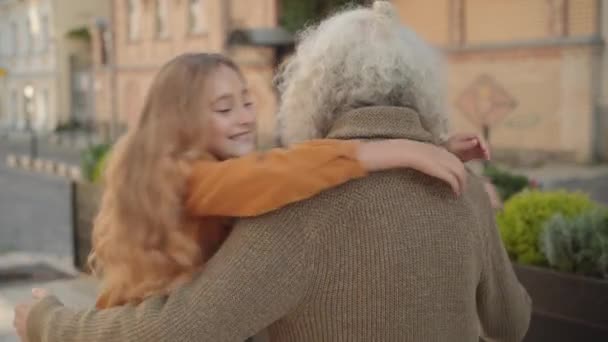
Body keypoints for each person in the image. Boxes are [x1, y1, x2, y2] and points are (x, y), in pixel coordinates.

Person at [15, 3, 527, 342]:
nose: (242, 115)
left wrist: (48, 322)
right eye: (224, 107)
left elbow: (179, 331)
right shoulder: (462, 191)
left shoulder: (292, 210)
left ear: (314, 90)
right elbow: (511, 321)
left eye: (244, 102)